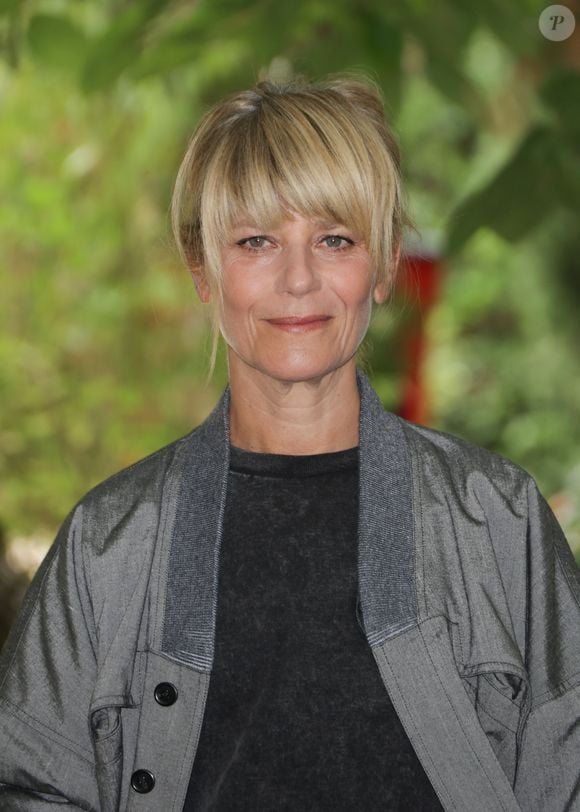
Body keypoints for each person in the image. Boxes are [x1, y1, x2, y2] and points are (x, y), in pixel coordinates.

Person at [0, 74, 579, 812]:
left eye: (334, 239)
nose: (298, 278)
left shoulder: (498, 521)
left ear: (385, 262)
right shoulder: (108, 545)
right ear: (204, 269)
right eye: (256, 241)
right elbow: (29, 786)